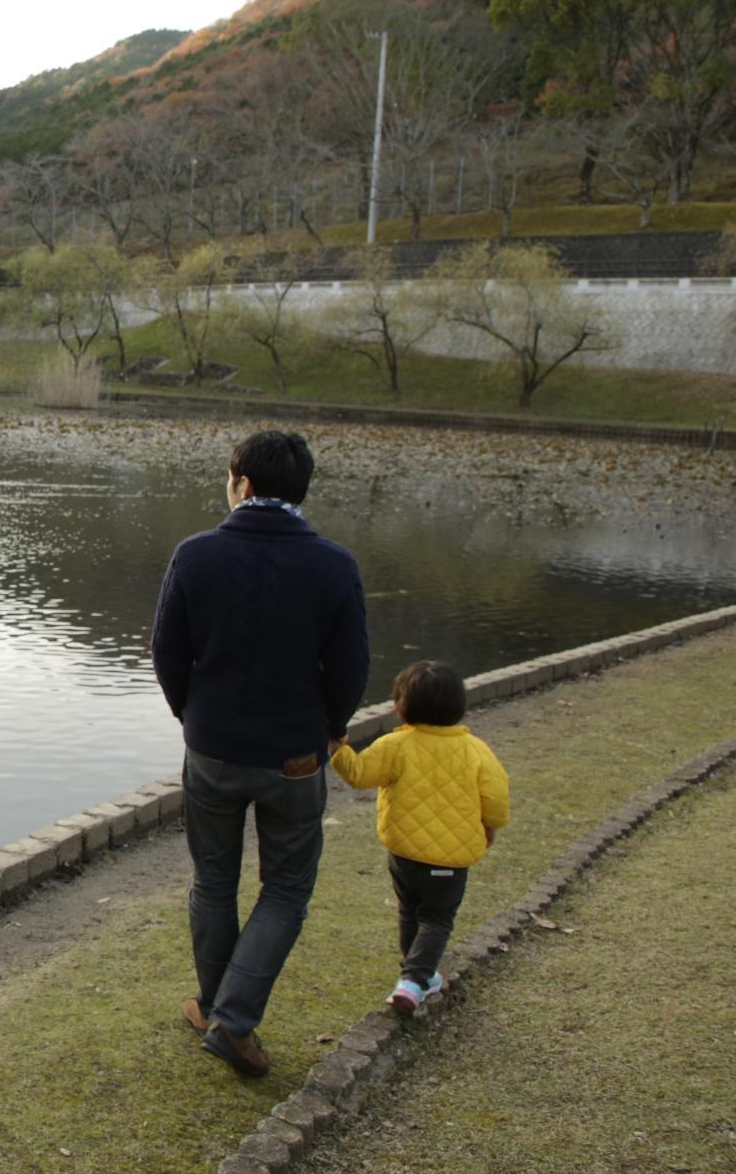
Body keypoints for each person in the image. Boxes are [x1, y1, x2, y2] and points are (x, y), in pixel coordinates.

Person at [151, 429, 370, 1078]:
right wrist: (330, 729)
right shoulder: (334, 564)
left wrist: (195, 718)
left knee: (213, 879)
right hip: (295, 755)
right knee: (288, 884)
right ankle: (233, 1019)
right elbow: (351, 668)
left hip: (213, 748)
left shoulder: (197, 555)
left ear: (240, 482)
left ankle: (220, 1007)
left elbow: (167, 654)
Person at [330, 661, 509, 1016]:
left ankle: (415, 976)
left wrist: (338, 746)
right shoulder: (476, 750)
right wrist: (490, 825)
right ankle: (414, 981)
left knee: (410, 911)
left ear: (403, 704)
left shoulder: (395, 744)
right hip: (450, 860)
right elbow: (496, 799)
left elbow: (359, 774)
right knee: (438, 919)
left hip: (404, 853)